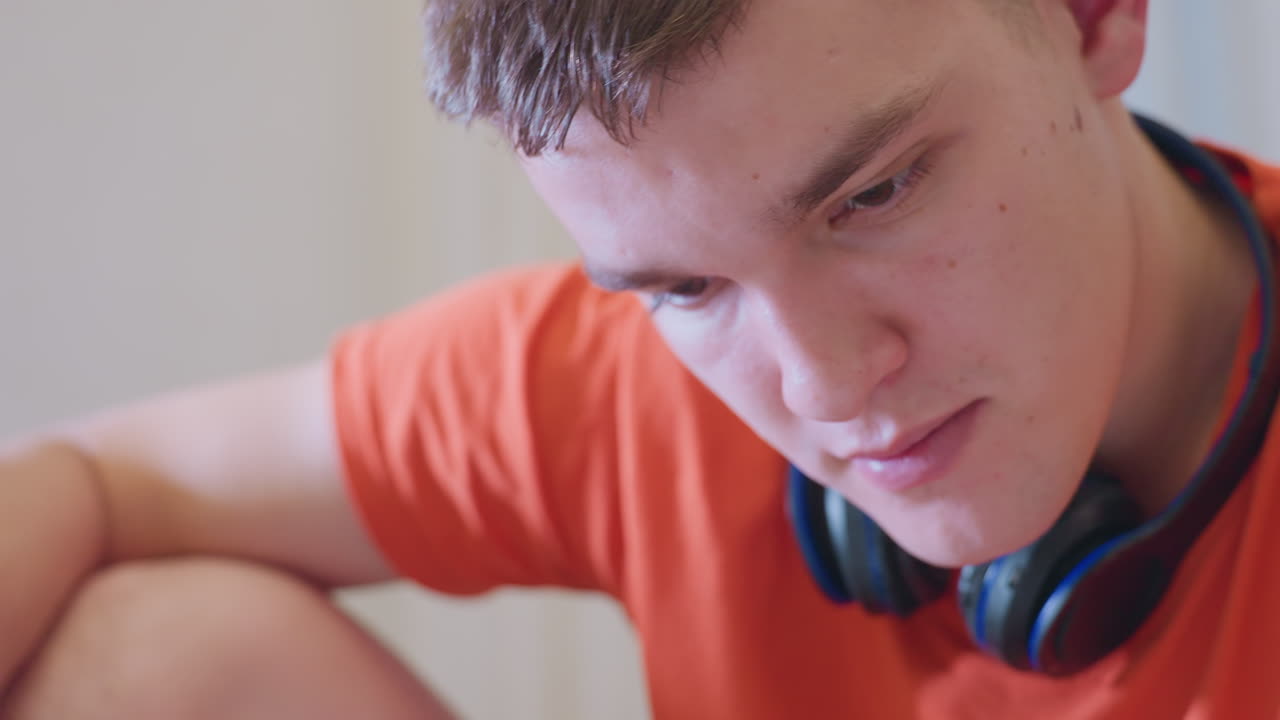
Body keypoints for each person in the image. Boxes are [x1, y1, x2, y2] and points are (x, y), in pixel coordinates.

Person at [3, 0, 1279, 717]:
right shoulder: (617, 386)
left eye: (875, 194)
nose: (826, 390)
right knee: (152, 663)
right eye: (684, 286)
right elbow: (85, 477)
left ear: (1090, 15)